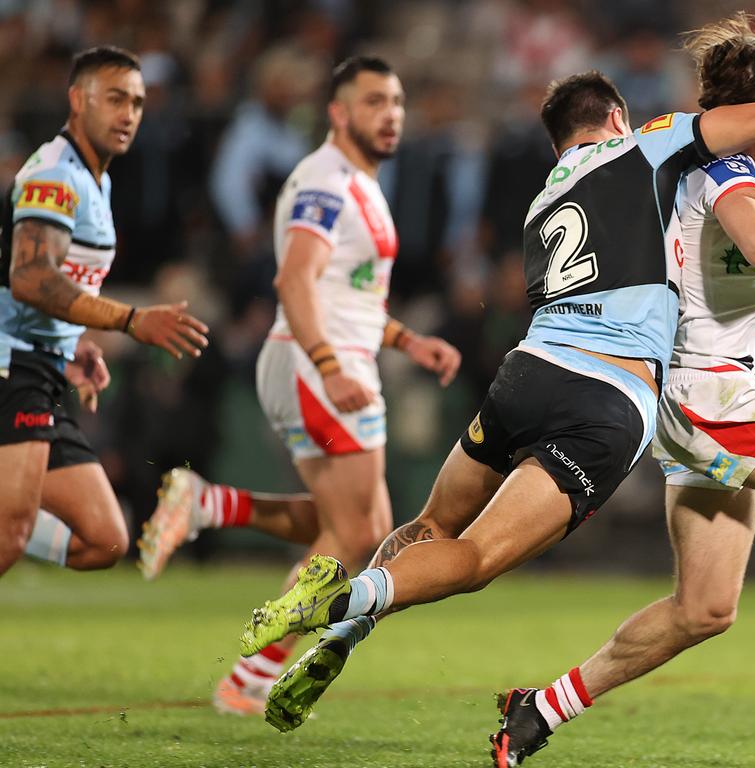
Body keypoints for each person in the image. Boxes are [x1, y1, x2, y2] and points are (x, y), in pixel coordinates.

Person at [237, 67, 755, 742]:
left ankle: (343, 634)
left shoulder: (546, 197)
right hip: (606, 397)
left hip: (526, 372)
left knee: (433, 523)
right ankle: (342, 598)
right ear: (615, 119)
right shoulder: (646, 145)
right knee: (478, 560)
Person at [488, 15, 755, 763]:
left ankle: (540, 709)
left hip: (702, 394)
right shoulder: (721, 169)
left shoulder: (752, 172)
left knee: (705, 608)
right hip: (706, 393)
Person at [137, 56, 461, 715]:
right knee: (354, 533)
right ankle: (252, 675)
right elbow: (294, 280)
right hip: (320, 362)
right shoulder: (327, 180)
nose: (391, 113)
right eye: (374, 101)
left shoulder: (362, 184)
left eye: (396, 101)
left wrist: (406, 340)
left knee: (354, 524)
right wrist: (330, 363)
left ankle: (210, 506)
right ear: (339, 113)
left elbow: (350, 295)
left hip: (328, 354)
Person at [0, 45, 209, 577]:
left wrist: (72, 345)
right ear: (77, 99)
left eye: (137, 103)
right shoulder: (56, 172)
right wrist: (130, 319)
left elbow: (47, 283)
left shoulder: (97, 178)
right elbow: (30, 276)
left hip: (41, 365)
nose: (129, 114)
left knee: (104, 538)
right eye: (115, 98)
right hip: (10, 366)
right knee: (10, 532)